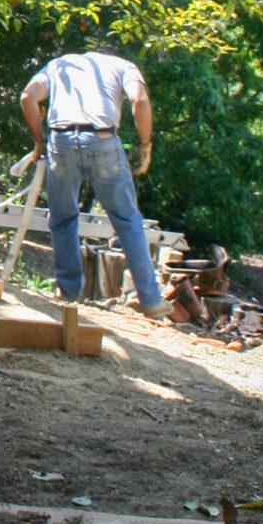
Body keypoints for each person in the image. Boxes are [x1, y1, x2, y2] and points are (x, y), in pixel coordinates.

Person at [19, 49, 169, 320]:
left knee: (63, 220)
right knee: (127, 221)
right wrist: (145, 145)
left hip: (61, 141)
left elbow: (28, 97)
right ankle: (151, 300)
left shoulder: (61, 64)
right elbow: (140, 101)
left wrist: (40, 141)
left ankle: (68, 295)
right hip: (102, 141)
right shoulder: (124, 66)